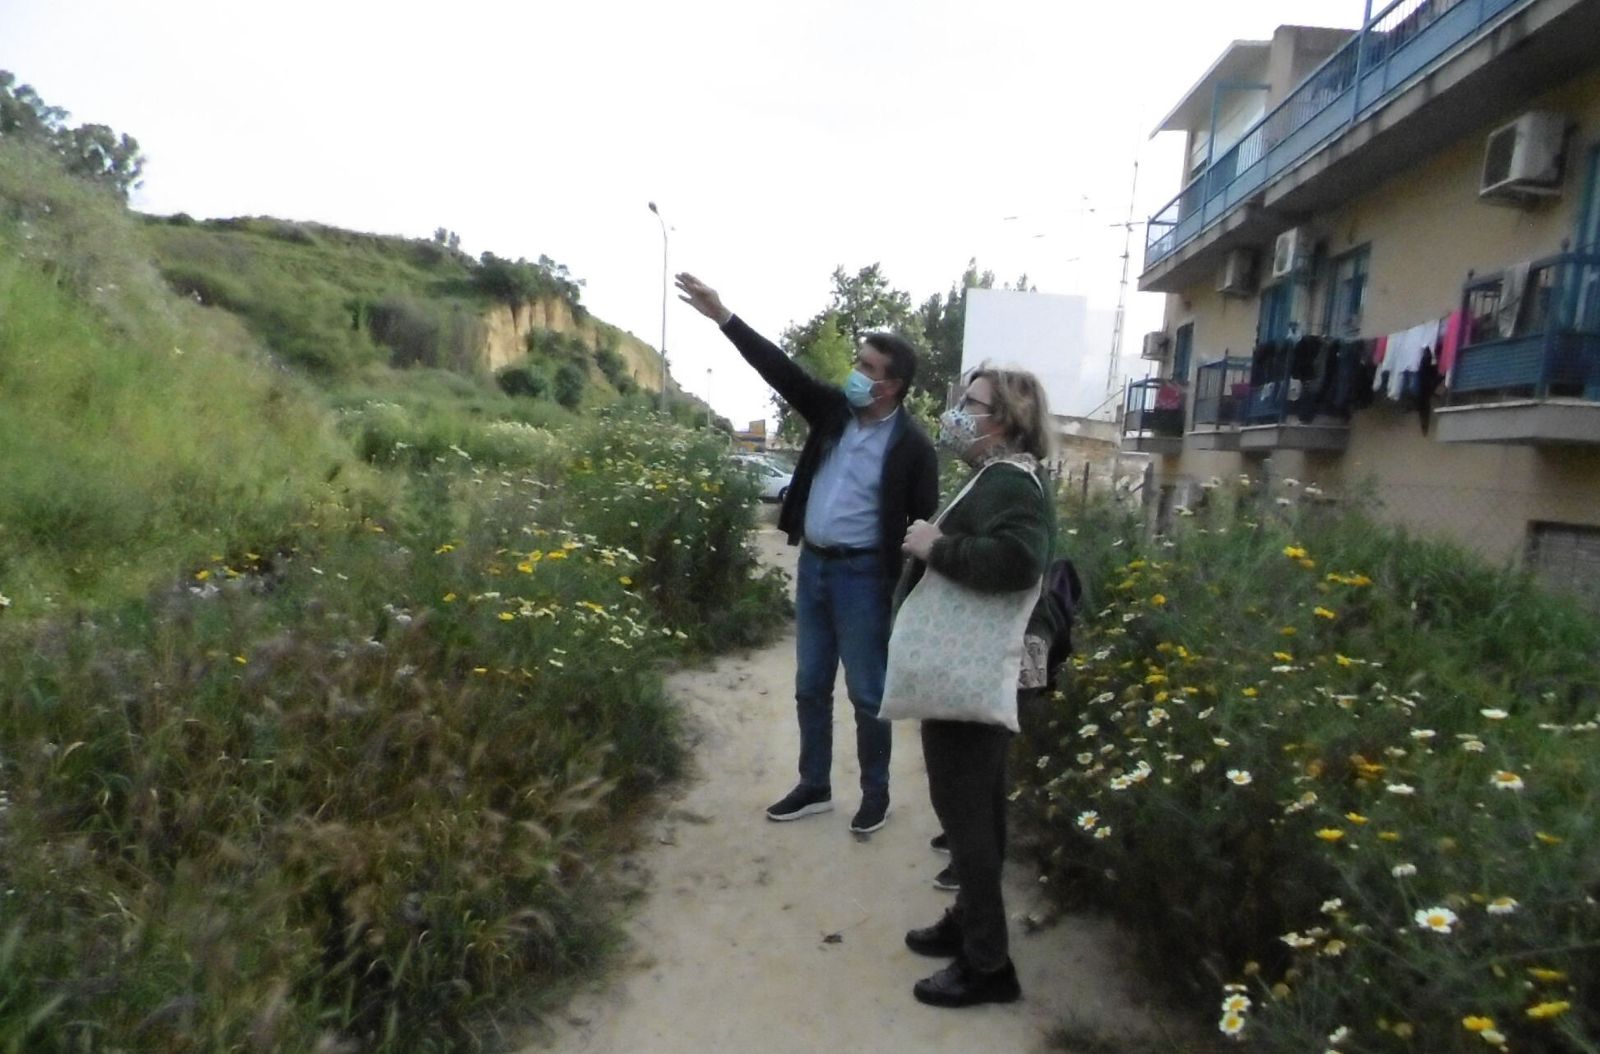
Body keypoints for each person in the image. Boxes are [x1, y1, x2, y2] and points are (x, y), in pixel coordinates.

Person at [675, 272, 939, 834]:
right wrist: (723, 316)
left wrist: (905, 597)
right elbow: (780, 369)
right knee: (809, 685)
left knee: (867, 693)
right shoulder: (833, 412)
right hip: (814, 565)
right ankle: (814, 785)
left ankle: (876, 794)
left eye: (867, 367)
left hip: (864, 578)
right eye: (858, 362)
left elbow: (922, 523)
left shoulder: (913, 447)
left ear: (892, 385)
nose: (855, 373)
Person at [895, 365, 1056, 1008]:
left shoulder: (1010, 482)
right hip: (973, 668)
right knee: (978, 808)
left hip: (974, 670)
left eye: (971, 402)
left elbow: (1020, 560)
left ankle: (988, 964)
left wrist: (936, 547)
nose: (957, 412)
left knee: (966, 815)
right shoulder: (995, 477)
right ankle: (969, 923)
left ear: (1006, 420)